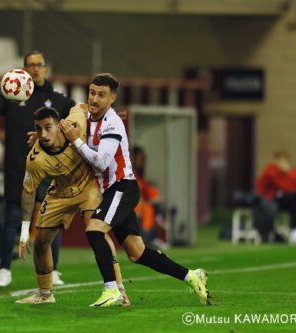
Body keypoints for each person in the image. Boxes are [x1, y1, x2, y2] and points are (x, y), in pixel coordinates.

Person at [60, 73, 210, 307]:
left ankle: (112, 290)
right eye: (92, 92)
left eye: (101, 94)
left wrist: (75, 141)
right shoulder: (86, 115)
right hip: (110, 191)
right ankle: (191, 276)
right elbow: (67, 114)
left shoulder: (113, 123)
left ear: (113, 98)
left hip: (123, 187)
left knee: (94, 229)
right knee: (136, 253)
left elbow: (100, 162)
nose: (95, 98)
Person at [0, 50, 75, 287]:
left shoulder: (58, 100)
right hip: (18, 167)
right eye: (30, 65)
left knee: (51, 219)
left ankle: (53, 270)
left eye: (39, 64)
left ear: (46, 69)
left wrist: (100, 117)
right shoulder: (12, 96)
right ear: (24, 69)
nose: (35, 69)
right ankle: (4, 269)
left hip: (49, 169)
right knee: (12, 219)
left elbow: (78, 117)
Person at [15, 105, 130, 305]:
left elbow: (85, 107)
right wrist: (25, 231)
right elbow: (28, 190)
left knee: (97, 230)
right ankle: (45, 294)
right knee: (40, 242)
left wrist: (111, 116)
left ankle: (118, 289)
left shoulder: (76, 121)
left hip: (88, 184)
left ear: (60, 125)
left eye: (48, 127)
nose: (43, 134)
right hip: (60, 192)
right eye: (39, 129)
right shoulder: (35, 159)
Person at [256, 152, 296, 246]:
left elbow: (292, 189)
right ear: (277, 161)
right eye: (282, 161)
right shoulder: (272, 170)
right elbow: (285, 187)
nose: (285, 164)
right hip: (269, 200)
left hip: (280, 199)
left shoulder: (286, 174)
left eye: (286, 161)